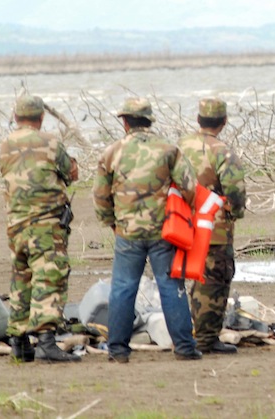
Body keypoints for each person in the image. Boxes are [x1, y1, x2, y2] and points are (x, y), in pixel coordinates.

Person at [93, 97, 202, 363]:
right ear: (149, 121)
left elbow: (100, 196)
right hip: (163, 232)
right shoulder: (169, 150)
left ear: (125, 122)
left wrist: (112, 223)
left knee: (122, 288)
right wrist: (182, 215)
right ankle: (184, 347)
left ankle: (118, 350)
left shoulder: (111, 152)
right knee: (171, 286)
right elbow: (190, 187)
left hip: (127, 232)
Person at [0, 94, 81, 362]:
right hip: (45, 225)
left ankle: (19, 342)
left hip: (16, 225)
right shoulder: (50, 142)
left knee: (21, 279)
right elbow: (71, 172)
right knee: (49, 276)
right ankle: (46, 341)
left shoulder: (5, 145)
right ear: (41, 117)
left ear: (16, 117)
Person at [178, 98, 247, 355]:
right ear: (224, 122)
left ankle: (186, 332)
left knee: (184, 278)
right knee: (214, 279)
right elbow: (235, 191)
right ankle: (206, 338)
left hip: (180, 221)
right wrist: (235, 212)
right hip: (213, 227)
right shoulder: (223, 152)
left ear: (198, 119)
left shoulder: (180, 147)